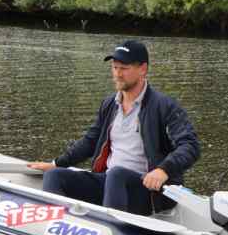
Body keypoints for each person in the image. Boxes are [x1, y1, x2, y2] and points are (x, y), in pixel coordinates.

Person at [26, 40, 200, 215]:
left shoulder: (164, 106)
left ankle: (112, 232)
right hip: (110, 183)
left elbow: (190, 146)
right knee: (55, 176)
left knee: (116, 175)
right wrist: (56, 163)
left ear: (143, 69)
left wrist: (163, 170)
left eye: (124, 68)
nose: (117, 74)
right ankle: (60, 228)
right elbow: (90, 141)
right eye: (115, 67)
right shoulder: (110, 104)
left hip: (149, 192)